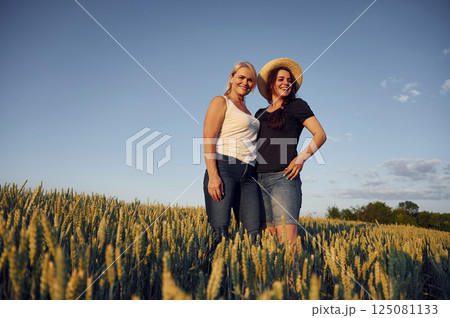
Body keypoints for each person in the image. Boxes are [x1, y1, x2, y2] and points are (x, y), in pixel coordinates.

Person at [255, 58, 326, 252]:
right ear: (271, 83)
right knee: (267, 245)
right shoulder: (259, 113)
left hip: (283, 178)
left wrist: (301, 158)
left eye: (289, 80)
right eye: (281, 79)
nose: (286, 82)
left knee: (287, 243)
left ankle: (291, 283)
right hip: (258, 181)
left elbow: (320, 135)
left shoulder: (297, 105)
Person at [203, 62, 261, 249]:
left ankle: (246, 277)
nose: (245, 82)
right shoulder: (221, 101)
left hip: (249, 175)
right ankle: (215, 276)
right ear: (231, 77)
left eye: (250, 80)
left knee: (253, 234)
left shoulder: (249, 111)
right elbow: (208, 138)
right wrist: (213, 176)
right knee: (220, 232)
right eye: (241, 77)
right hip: (224, 169)